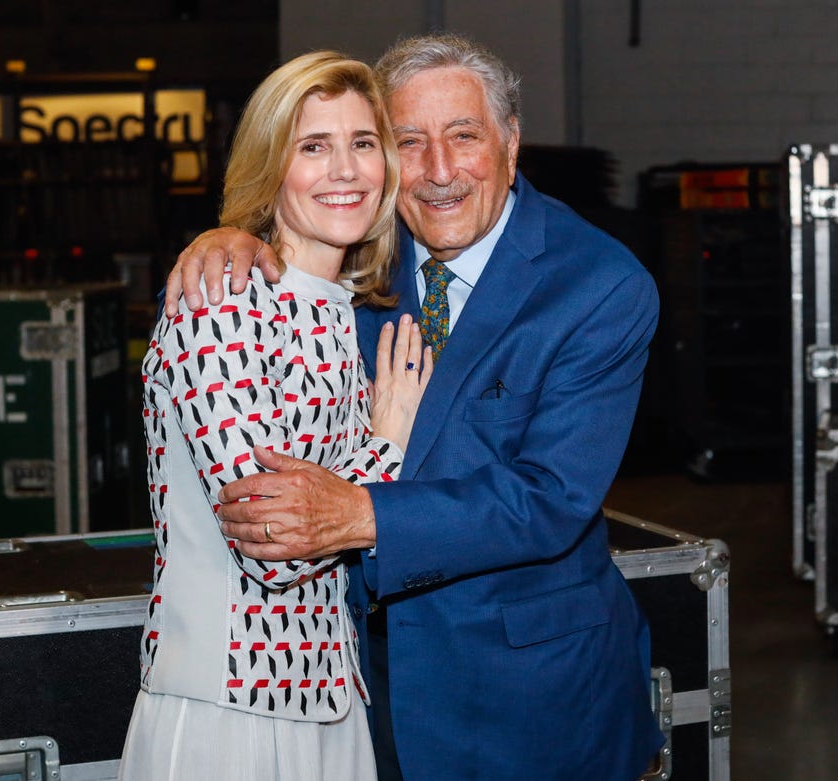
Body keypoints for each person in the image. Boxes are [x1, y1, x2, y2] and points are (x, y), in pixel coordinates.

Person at [166, 32, 665, 781]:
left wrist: (359, 515)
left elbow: (550, 498)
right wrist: (230, 235)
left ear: (511, 143)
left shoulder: (598, 284)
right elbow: (292, 225)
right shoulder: (361, 251)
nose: (437, 172)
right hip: (349, 694)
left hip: (530, 702)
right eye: (408, 141)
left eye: (463, 136)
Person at [119, 50, 433, 781]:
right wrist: (387, 440)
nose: (345, 169)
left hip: (332, 701)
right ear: (271, 166)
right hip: (230, 709)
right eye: (313, 147)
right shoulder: (221, 301)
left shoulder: (344, 310)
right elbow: (270, 537)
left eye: (363, 144)